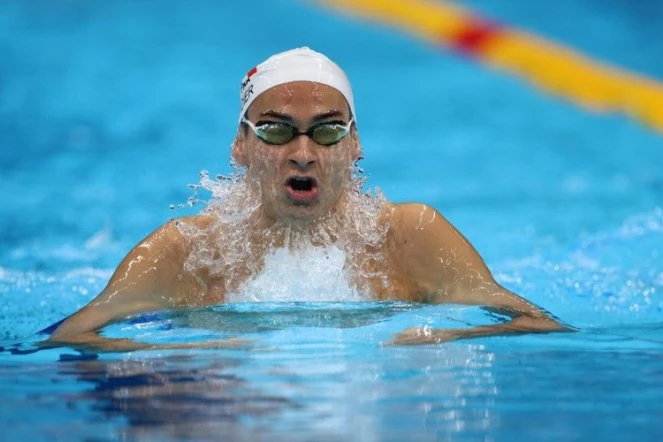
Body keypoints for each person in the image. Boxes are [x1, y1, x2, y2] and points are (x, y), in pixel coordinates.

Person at [45, 47, 569, 352]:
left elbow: (540, 324)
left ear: (355, 144)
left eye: (327, 132)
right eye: (275, 132)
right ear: (241, 146)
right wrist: (190, 354)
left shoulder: (410, 237)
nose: (302, 153)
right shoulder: (185, 252)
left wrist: (441, 338)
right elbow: (69, 338)